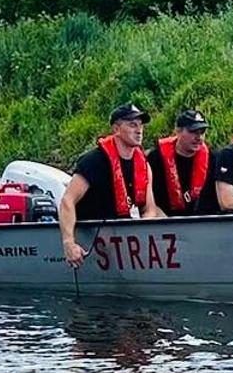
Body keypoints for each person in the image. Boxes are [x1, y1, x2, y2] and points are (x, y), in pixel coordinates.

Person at [60, 103, 164, 267]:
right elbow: (68, 200)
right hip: (92, 234)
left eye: (140, 125)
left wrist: (140, 229)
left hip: (121, 236)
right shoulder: (94, 161)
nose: (139, 130)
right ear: (116, 129)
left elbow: (149, 208)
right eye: (132, 125)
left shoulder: (143, 165)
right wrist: (69, 243)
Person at [147, 109, 215, 217]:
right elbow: (147, 201)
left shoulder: (212, 159)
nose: (199, 137)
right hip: (165, 222)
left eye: (202, 132)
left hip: (202, 222)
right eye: (193, 131)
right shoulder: (155, 158)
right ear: (178, 131)